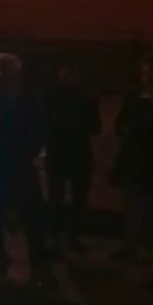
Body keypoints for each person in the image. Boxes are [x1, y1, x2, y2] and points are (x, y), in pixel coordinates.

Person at [0, 52, 48, 280]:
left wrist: (31, 150)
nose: (0, 76)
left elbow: (39, 128)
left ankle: (38, 257)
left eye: (5, 71)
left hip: (21, 164)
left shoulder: (29, 99)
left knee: (33, 213)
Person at [110, 55, 153, 261]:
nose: (148, 78)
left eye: (152, 74)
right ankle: (128, 247)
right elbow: (119, 125)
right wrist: (127, 131)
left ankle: (146, 248)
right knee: (130, 206)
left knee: (150, 209)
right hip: (132, 159)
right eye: (145, 74)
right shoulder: (133, 98)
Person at [44, 61, 101, 255]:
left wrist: (93, 103)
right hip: (60, 153)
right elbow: (45, 123)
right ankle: (56, 236)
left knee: (77, 200)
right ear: (60, 73)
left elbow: (96, 127)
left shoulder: (84, 97)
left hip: (77, 154)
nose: (69, 76)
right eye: (66, 72)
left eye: (72, 72)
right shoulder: (51, 96)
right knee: (56, 199)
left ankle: (70, 236)